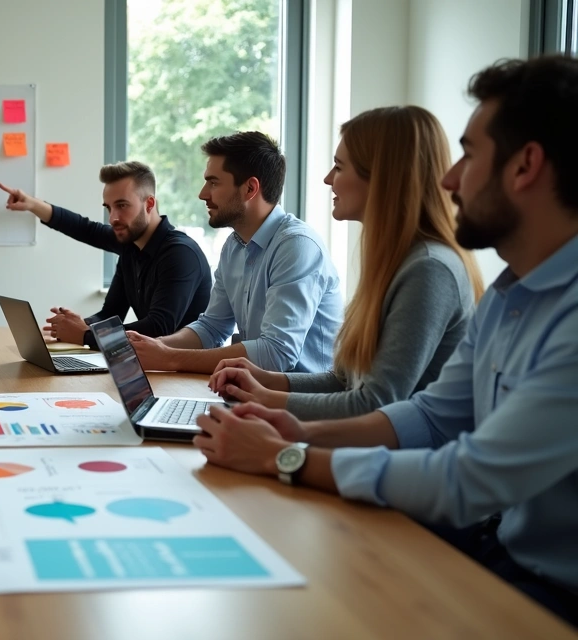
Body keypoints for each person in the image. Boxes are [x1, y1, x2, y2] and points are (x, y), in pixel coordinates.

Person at [192, 57, 578, 627]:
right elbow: (432, 415)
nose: (449, 180)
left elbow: (465, 478)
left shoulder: (449, 275)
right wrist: (301, 429)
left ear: (525, 167)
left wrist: (287, 456)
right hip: (501, 549)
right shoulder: (509, 292)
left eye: (469, 156)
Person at [206, 107, 484, 419]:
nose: (328, 179)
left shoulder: (429, 269)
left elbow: (374, 404)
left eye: (339, 167)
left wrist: (268, 402)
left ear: (381, 176)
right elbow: (344, 382)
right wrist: (263, 384)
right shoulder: (396, 262)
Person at [127, 132, 344, 374]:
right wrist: (152, 348)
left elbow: (276, 354)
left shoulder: (296, 246)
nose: (203, 194)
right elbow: (212, 328)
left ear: (250, 188)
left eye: (213, 182)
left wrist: (169, 358)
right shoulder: (234, 246)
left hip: (306, 406)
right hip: (258, 396)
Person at [0, 161, 211, 348]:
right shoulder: (130, 246)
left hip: (187, 375)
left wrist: (86, 335)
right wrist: (76, 326)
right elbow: (110, 314)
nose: (113, 218)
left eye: (122, 205)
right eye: (109, 208)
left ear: (149, 204)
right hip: (154, 365)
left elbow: (159, 327)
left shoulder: (180, 253)